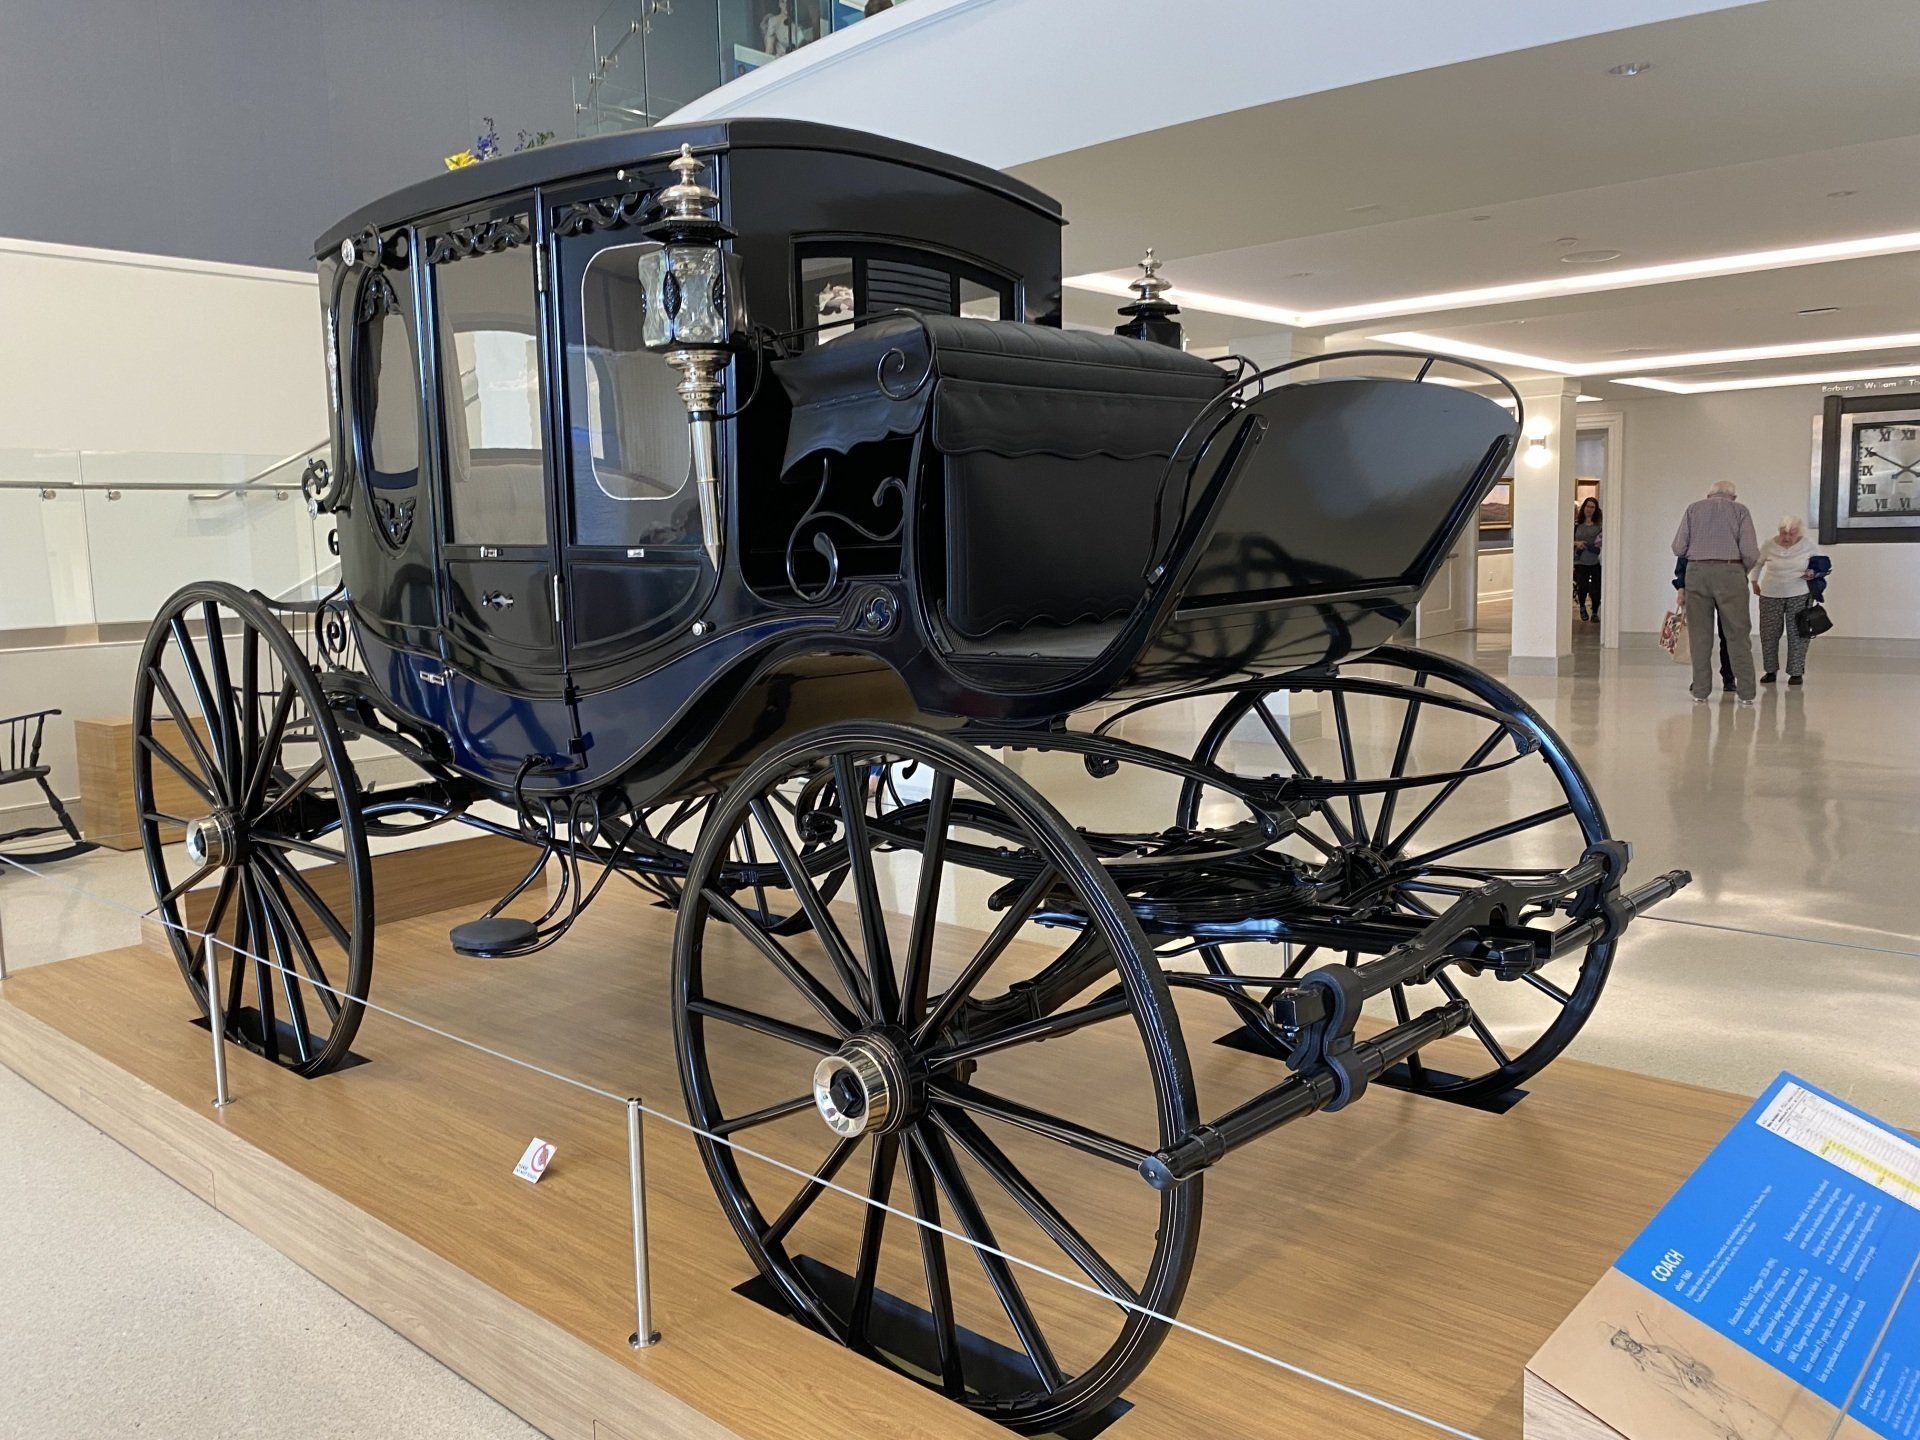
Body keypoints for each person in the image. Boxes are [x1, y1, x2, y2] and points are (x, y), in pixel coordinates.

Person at [1671, 479, 1759, 704]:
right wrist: (1741, 571)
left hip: (1697, 572)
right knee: (1738, 634)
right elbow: (1750, 551)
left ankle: (1700, 691)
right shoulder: (1740, 511)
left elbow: (1678, 547)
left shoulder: (1693, 509)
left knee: (1700, 635)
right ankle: (1746, 693)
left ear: (1708, 495)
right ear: (1734, 497)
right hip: (1731, 570)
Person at [1750, 515, 1828, 687]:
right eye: (1783, 533)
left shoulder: (1807, 544)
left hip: (1799, 593)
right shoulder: (1769, 544)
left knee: (1798, 634)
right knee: (1769, 634)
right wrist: (1754, 581)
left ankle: (1796, 672)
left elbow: (1822, 563)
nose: (1786, 538)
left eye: (1791, 534)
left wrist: (1813, 572)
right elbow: (1758, 563)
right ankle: (1770, 670)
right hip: (1770, 594)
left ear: (1798, 533)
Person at [1673, 558, 1735, 692]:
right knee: (1700, 637)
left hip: (1724, 584)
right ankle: (1701, 678)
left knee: (1727, 634)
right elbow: (1683, 558)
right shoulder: (1693, 537)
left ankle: (1728, 677)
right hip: (1699, 585)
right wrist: (1681, 588)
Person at [1572, 497, 1603, 622]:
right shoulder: (1577, 526)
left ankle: (1595, 612)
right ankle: (1582, 606)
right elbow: (1569, 540)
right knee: (1582, 585)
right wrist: (1577, 543)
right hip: (1580, 561)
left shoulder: (1598, 527)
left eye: (1592, 507)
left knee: (1596, 587)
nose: (1589, 509)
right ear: (1583, 507)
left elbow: (1600, 543)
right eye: (1587, 506)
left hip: (1595, 560)